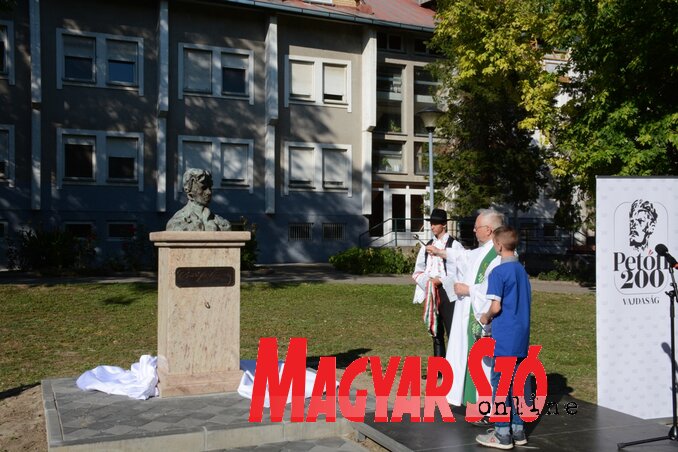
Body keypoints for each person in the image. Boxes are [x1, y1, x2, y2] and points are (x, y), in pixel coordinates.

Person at [475, 225, 531, 449]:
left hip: (505, 336)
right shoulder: (522, 271)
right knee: (517, 383)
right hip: (521, 335)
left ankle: (501, 433)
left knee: (500, 383)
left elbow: (496, 306)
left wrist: (485, 316)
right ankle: (517, 430)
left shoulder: (499, 272)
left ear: (497, 245)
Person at [445, 208, 503, 410]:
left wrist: (468, 289)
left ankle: (483, 405)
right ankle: (472, 400)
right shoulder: (484, 250)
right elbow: (465, 257)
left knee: (484, 362)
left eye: (477, 227)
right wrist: (441, 252)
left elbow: (492, 288)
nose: (473, 230)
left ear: (488, 230)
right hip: (471, 310)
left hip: (483, 314)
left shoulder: (496, 254)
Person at [412, 208, 465, 365]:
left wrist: (441, 280)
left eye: (435, 223)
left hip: (449, 293)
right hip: (432, 292)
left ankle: (455, 367)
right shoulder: (427, 246)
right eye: (431, 223)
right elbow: (417, 272)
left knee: (452, 332)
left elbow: (461, 272)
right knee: (436, 332)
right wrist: (428, 282)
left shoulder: (455, 246)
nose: (432, 227)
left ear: (444, 225)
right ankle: (439, 369)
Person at [166, 168, 231, 231]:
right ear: (189, 192)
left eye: (210, 187)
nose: (209, 192)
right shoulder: (176, 222)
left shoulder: (221, 223)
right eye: (203, 188)